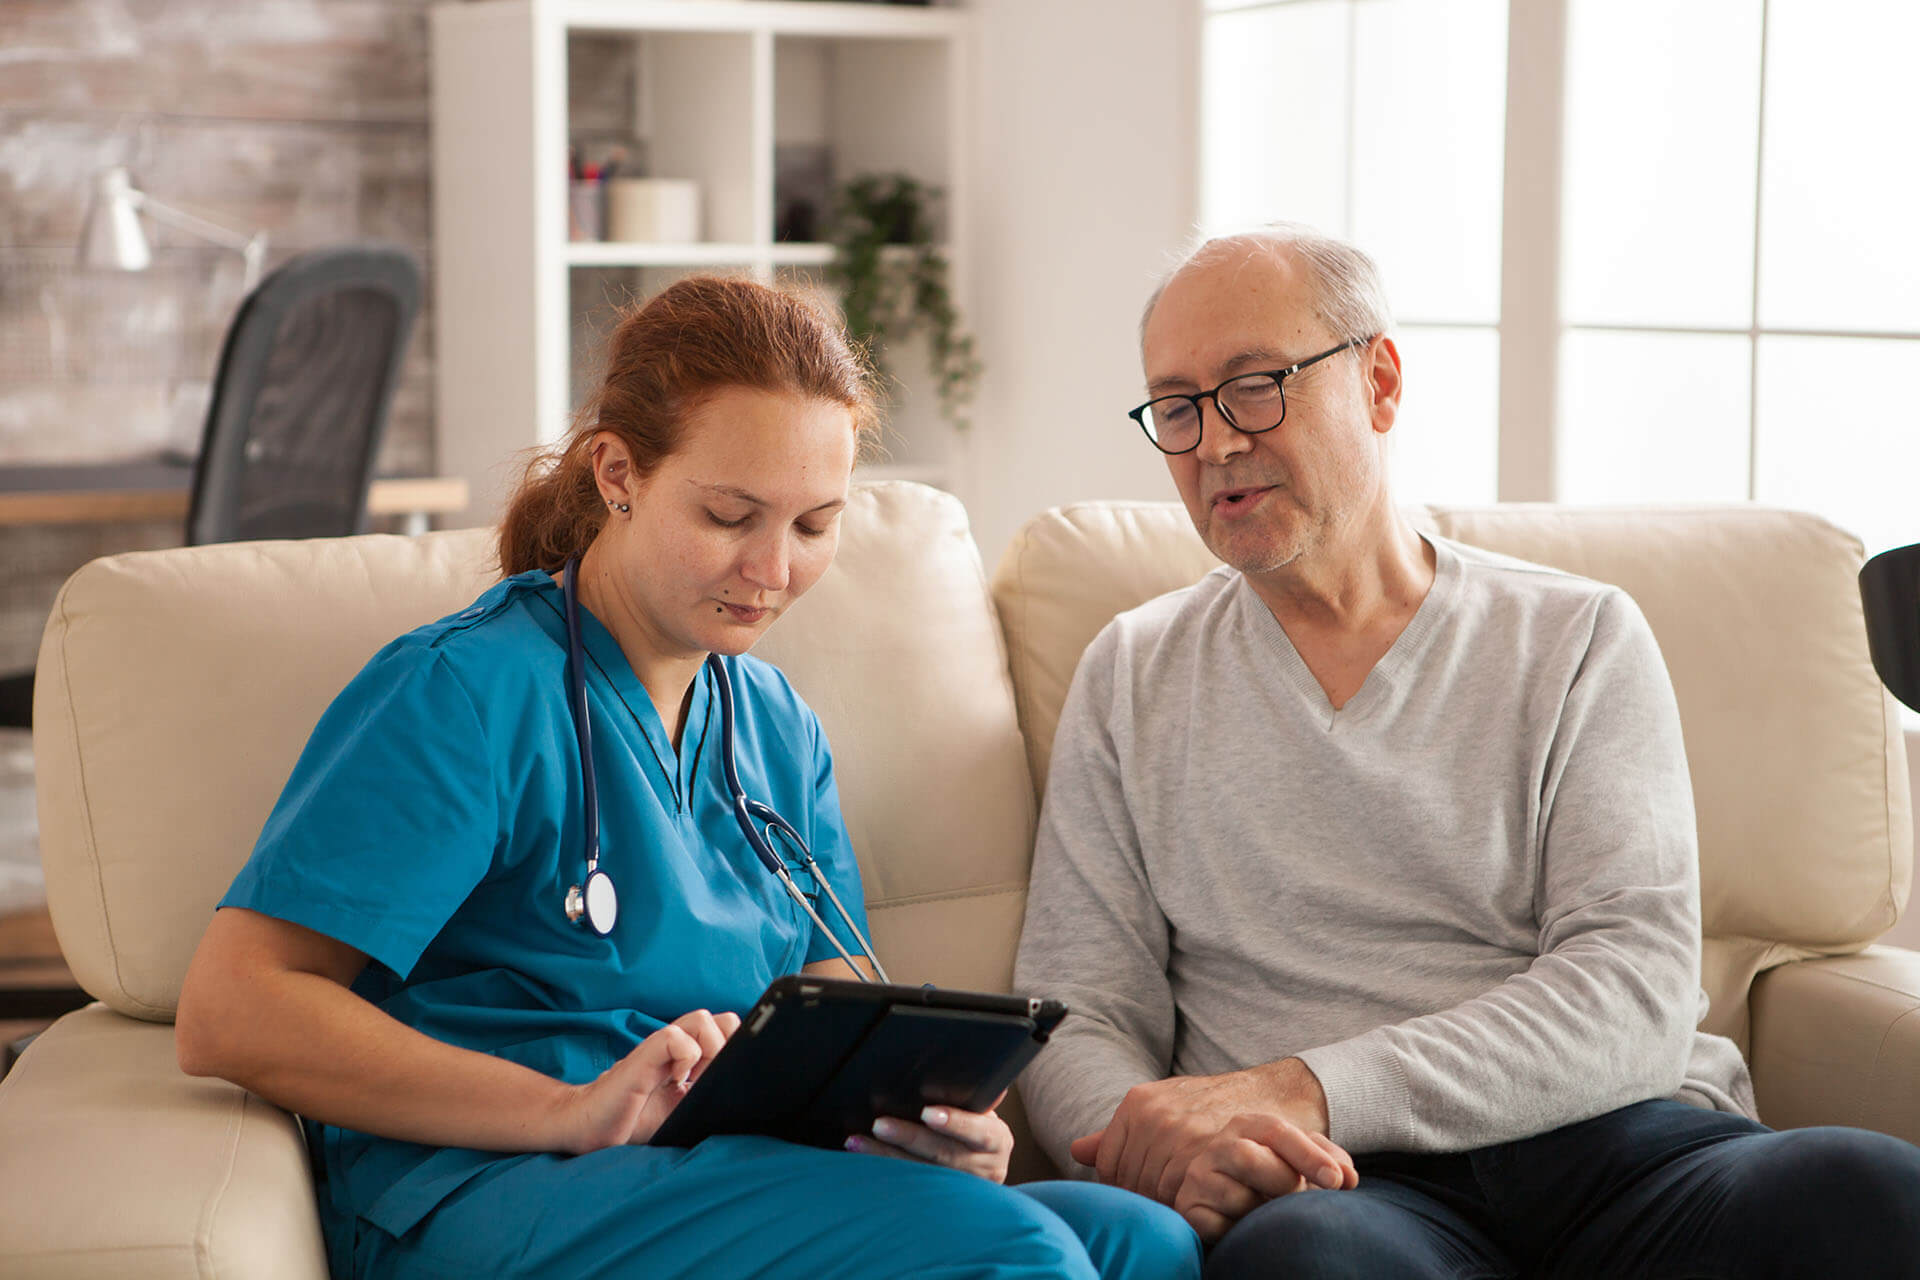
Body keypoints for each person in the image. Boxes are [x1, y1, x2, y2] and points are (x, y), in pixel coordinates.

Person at [175, 277, 1201, 1280]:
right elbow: (234, 1007)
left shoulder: (773, 726)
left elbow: (845, 1011)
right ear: (618, 471)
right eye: (730, 515)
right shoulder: (465, 692)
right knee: (1017, 1248)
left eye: (813, 525)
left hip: (717, 1168)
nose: (772, 567)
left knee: (1135, 1238)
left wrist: (934, 1127)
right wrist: (565, 1109)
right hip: (493, 1181)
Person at [1012, 225, 1920, 1277]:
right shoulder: (1132, 673)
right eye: (1176, 406)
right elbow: (1077, 1010)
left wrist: (1306, 1081)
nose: (1213, 442)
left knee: (1871, 1189)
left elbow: (1632, 985)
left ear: (1379, 381)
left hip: (1621, 1147)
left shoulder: (1577, 635)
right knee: (1307, 1263)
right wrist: (1163, 1146)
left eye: (1254, 385)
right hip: (1343, 1187)